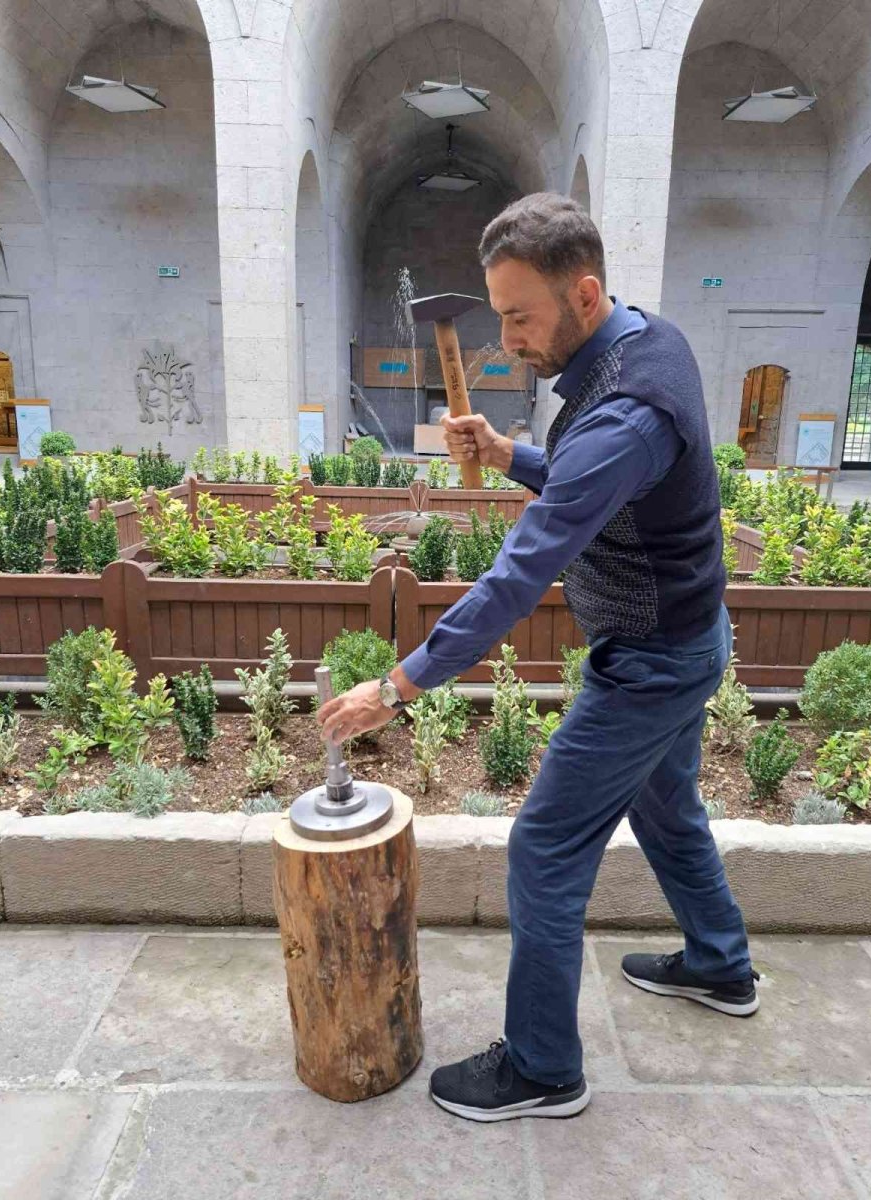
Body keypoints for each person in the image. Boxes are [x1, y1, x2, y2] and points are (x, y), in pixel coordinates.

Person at [316, 192, 758, 1124]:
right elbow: (601, 485)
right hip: (688, 639)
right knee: (670, 809)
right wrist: (513, 451)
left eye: (521, 316)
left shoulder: (625, 412)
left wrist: (399, 685)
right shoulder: (651, 342)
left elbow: (520, 576)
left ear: (585, 294)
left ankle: (544, 1068)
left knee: (544, 847)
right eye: (499, 314)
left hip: (652, 660)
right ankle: (720, 964)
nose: (507, 338)